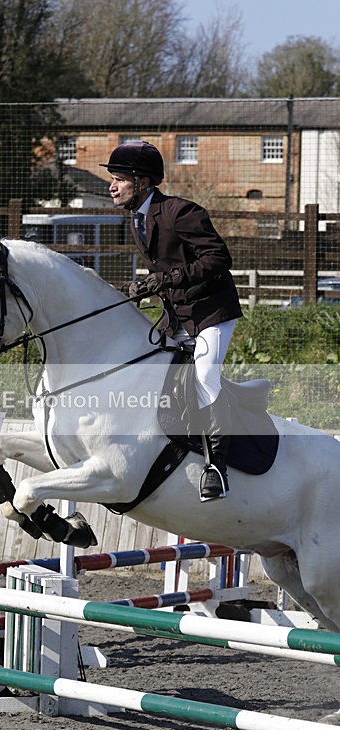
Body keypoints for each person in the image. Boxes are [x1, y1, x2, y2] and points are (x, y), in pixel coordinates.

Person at [100, 140, 243, 501]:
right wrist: (142, 285)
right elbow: (161, 268)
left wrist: (171, 278)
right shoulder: (138, 218)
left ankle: (217, 469)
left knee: (205, 378)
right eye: (112, 179)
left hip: (211, 312)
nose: (111, 186)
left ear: (143, 182)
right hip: (177, 313)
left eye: (119, 179)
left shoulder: (181, 212)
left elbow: (218, 258)